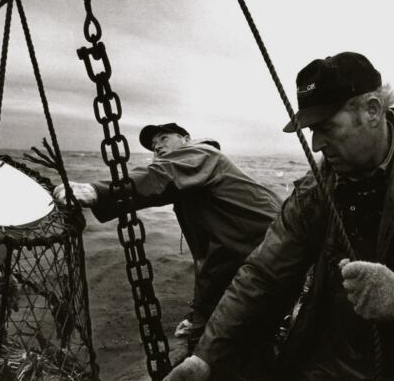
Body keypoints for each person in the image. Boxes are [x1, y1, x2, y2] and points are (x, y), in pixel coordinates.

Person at [165, 52, 394, 380]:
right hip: (337, 362)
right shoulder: (317, 188)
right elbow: (264, 274)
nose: (316, 145)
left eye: (326, 127)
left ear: (372, 110)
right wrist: (206, 357)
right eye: (312, 130)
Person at [53, 122, 282, 354]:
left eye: (163, 138)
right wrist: (199, 315)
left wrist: (97, 191)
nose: (157, 147)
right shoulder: (191, 186)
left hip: (275, 240)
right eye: (153, 146)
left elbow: (161, 174)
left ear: (186, 138)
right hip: (260, 245)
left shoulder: (203, 153)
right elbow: (211, 258)